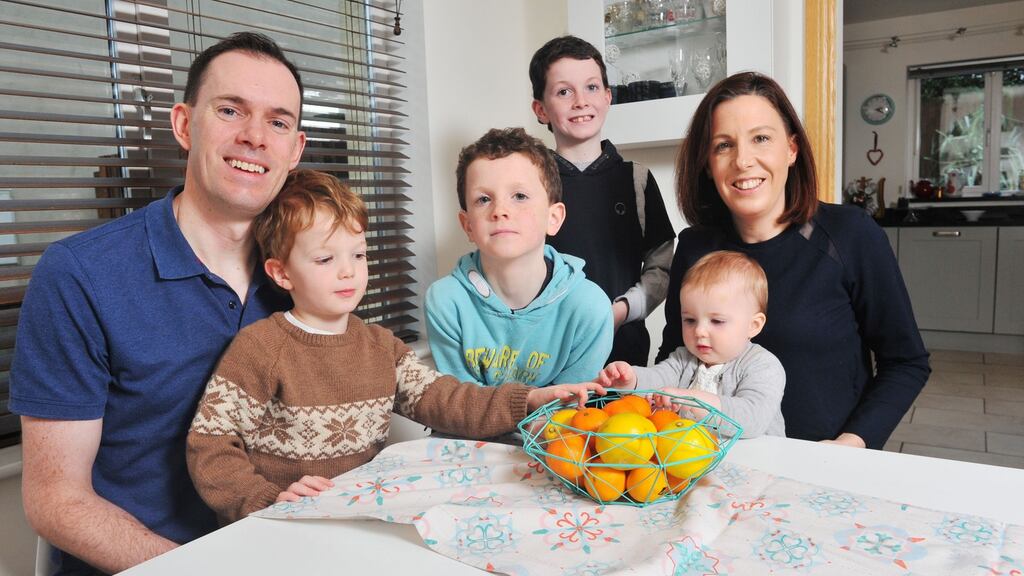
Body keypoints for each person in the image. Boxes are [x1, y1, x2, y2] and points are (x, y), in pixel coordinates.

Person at [9, 32, 307, 574]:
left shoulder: (305, 272)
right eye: (231, 109)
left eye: (278, 122)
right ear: (184, 126)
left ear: (295, 151)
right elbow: (57, 501)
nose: (255, 137)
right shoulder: (80, 274)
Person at [186, 169, 603, 523]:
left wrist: (528, 399)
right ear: (281, 273)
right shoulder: (261, 347)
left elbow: (449, 400)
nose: (348, 272)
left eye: (359, 256)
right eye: (325, 260)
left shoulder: (380, 346)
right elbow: (210, 446)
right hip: (281, 525)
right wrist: (266, 500)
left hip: (354, 516)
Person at [658, 71, 930, 449]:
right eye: (723, 145)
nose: (743, 161)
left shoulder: (850, 235)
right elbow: (675, 359)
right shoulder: (694, 247)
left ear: (791, 149)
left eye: (761, 139)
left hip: (826, 464)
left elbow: (906, 363)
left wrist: (850, 444)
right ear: (707, 162)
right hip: (708, 461)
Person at [425, 127, 613, 388]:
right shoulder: (446, 301)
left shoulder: (590, 308)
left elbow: (568, 412)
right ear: (468, 225)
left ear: (553, 218)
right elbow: (459, 408)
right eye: (483, 199)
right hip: (467, 429)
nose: (500, 210)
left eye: (520, 196)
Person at [529, 35, 675, 366]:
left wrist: (621, 312)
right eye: (564, 92)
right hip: (549, 359)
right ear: (541, 109)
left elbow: (661, 266)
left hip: (624, 356)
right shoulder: (529, 185)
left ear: (608, 97)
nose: (581, 101)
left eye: (592, 87)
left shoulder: (636, 179)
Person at [597, 251, 785, 438]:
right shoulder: (683, 358)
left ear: (753, 325)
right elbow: (659, 378)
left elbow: (752, 418)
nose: (699, 331)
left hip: (758, 461)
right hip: (692, 457)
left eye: (717, 321)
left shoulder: (763, 365)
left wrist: (690, 399)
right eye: (690, 320)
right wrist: (632, 380)